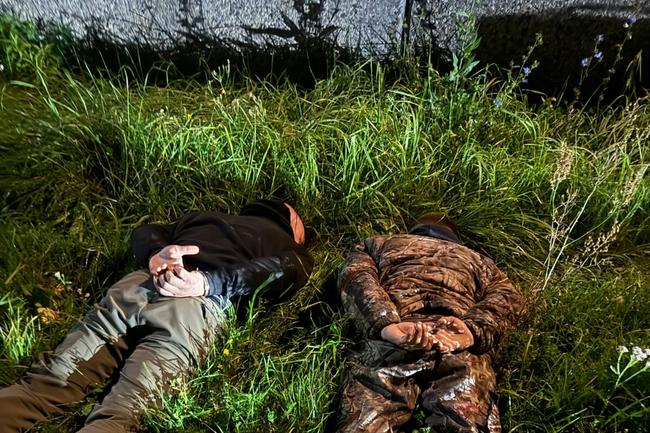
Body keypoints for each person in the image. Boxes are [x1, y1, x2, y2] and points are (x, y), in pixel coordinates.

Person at [0, 199, 313, 433]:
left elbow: (146, 231)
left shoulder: (202, 218)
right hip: (193, 312)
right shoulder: (285, 243)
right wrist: (207, 282)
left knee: (45, 384)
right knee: (122, 415)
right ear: (292, 222)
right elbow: (286, 270)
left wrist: (155, 254)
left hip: (138, 287)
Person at [335, 213, 526, 433]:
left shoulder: (377, 244)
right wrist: (472, 330)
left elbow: (356, 278)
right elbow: (509, 299)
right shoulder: (482, 263)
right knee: (468, 422)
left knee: (365, 423)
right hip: (457, 346)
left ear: (412, 231)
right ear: (454, 237)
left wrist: (385, 324)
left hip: (395, 339)